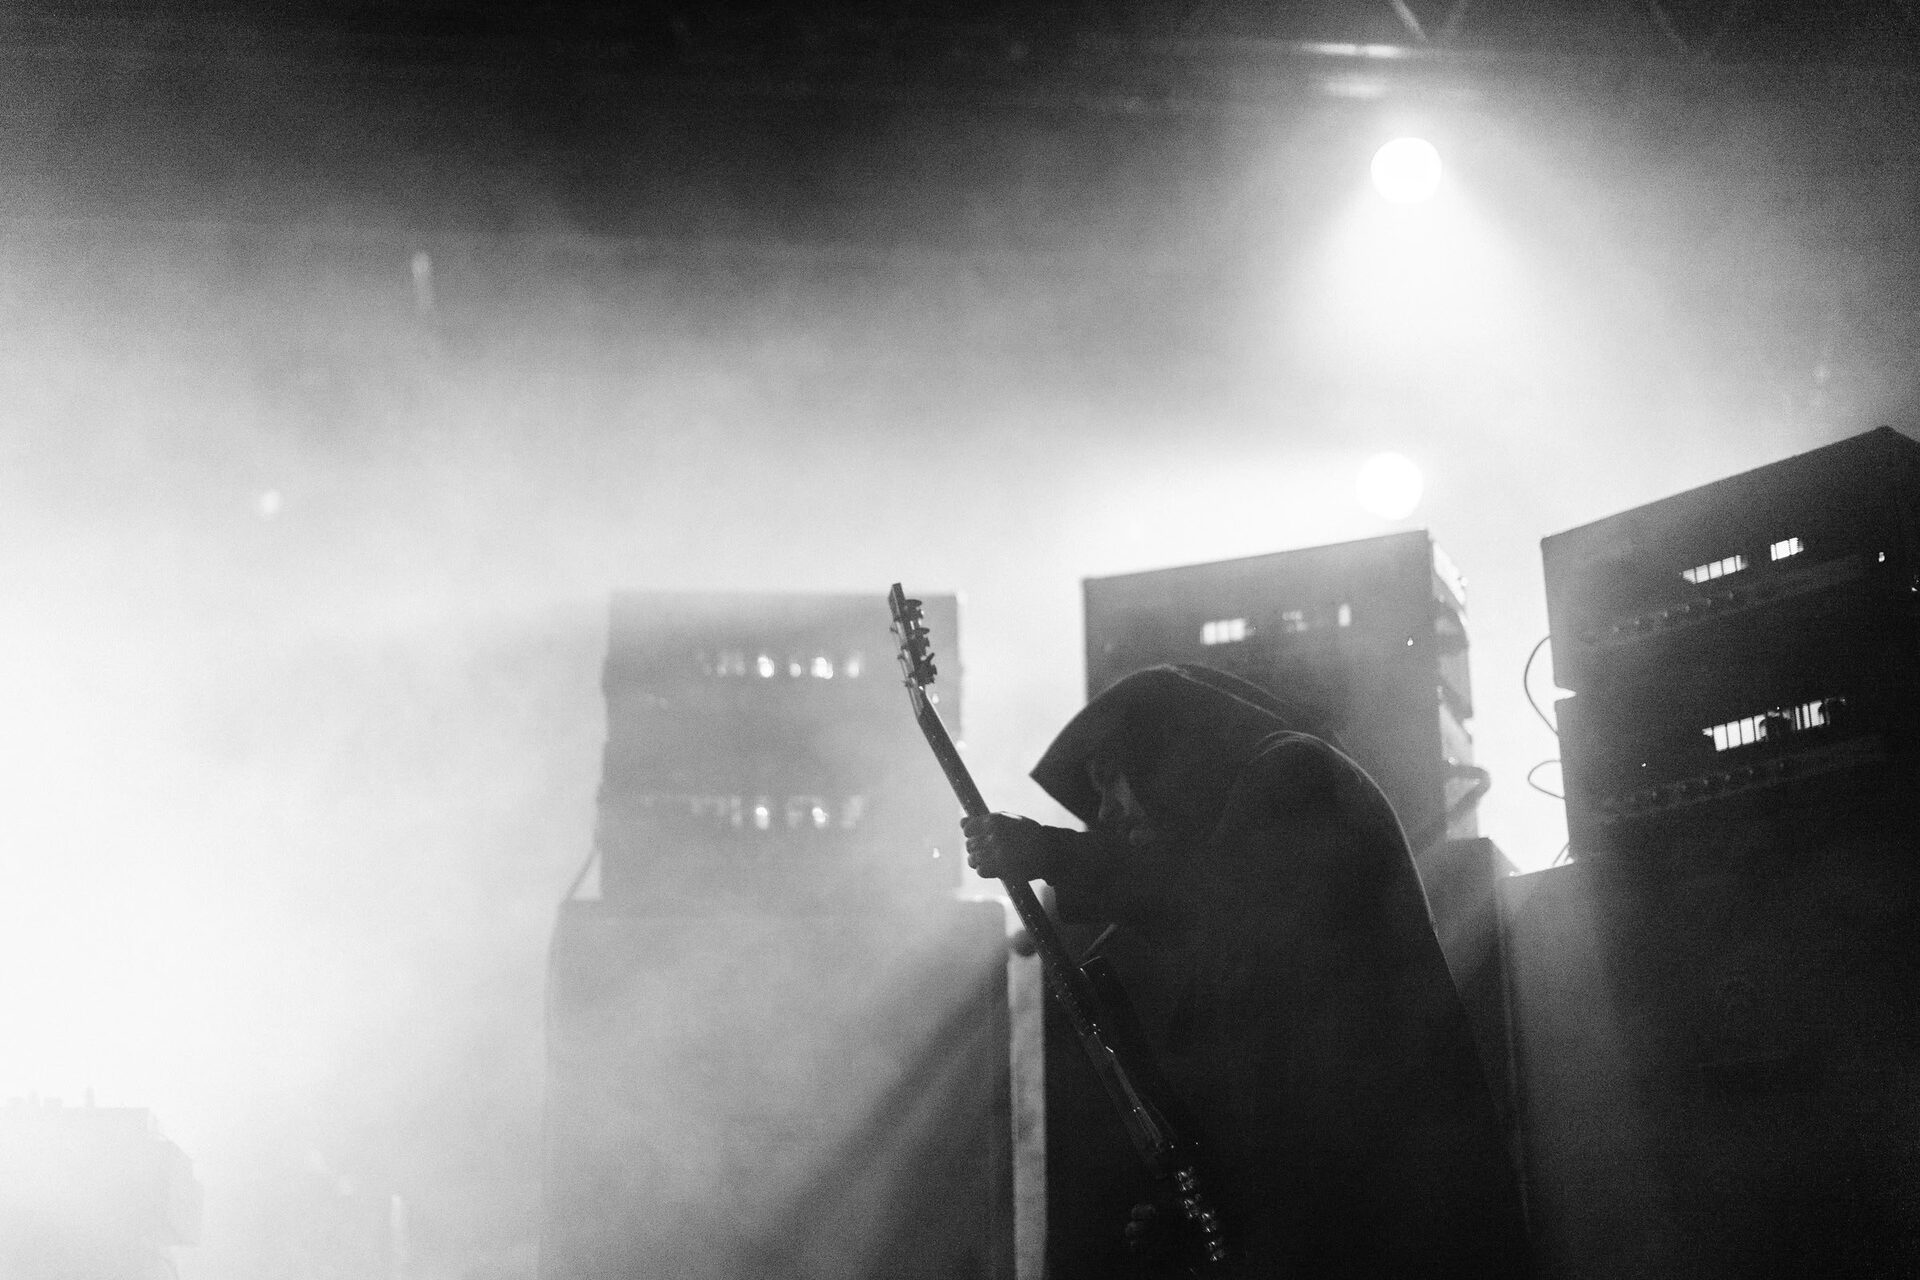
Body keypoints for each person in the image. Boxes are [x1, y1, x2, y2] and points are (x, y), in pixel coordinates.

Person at [962, 663, 1531, 1279]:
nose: (1105, 815)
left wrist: (1054, 852)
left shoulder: (1293, 773)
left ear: (1162, 753)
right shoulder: (1251, 827)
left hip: (1410, 1225)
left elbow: (1216, 894)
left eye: (1110, 783)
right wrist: (1213, 1222)